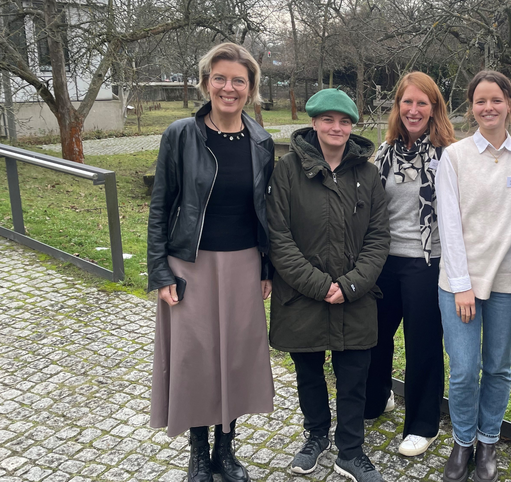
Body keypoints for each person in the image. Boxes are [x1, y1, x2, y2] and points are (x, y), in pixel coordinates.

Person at [147, 42, 275, 482]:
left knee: (235, 358)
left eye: (238, 80)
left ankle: (226, 449)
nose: (228, 87)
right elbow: (161, 205)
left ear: (251, 88)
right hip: (190, 265)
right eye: (219, 78)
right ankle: (198, 453)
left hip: (243, 264)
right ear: (206, 83)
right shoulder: (181, 134)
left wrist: (267, 266)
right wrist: (159, 269)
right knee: (196, 358)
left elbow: (266, 210)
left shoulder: (261, 141)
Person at [266, 88, 390, 482]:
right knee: (309, 372)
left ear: (352, 127)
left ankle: (351, 450)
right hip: (302, 296)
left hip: (356, 297)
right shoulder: (286, 170)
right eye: (328, 120)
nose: (336, 128)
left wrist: (351, 285)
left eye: (345, 121)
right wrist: (319, 285)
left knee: (355, 375)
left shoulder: (368, 175)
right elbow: (279, 238)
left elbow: (378, 238)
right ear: (315, 123)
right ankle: (316, 436)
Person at [436, 70, 511, 482]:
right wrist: (462, 284)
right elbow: (449, 224)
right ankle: (462, 442)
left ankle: (488, 441)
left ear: (509, 104)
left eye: (496, 99)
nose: (488, 107)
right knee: (463, 369)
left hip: (509, 282)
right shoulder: (456, 157)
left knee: (497, 368)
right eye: (480, 100)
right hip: (460, 283)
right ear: (471, 107)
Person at [363, 72, 457, 456]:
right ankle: (376, 397)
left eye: (422, 102)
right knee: (374, 336)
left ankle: (423, 423)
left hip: (426, 262)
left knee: (422, 344)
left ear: (434, 107)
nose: (414, 110)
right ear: (397, 107)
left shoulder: (449, 155)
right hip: (383, 260)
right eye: (407, 102)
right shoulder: (382, 153)